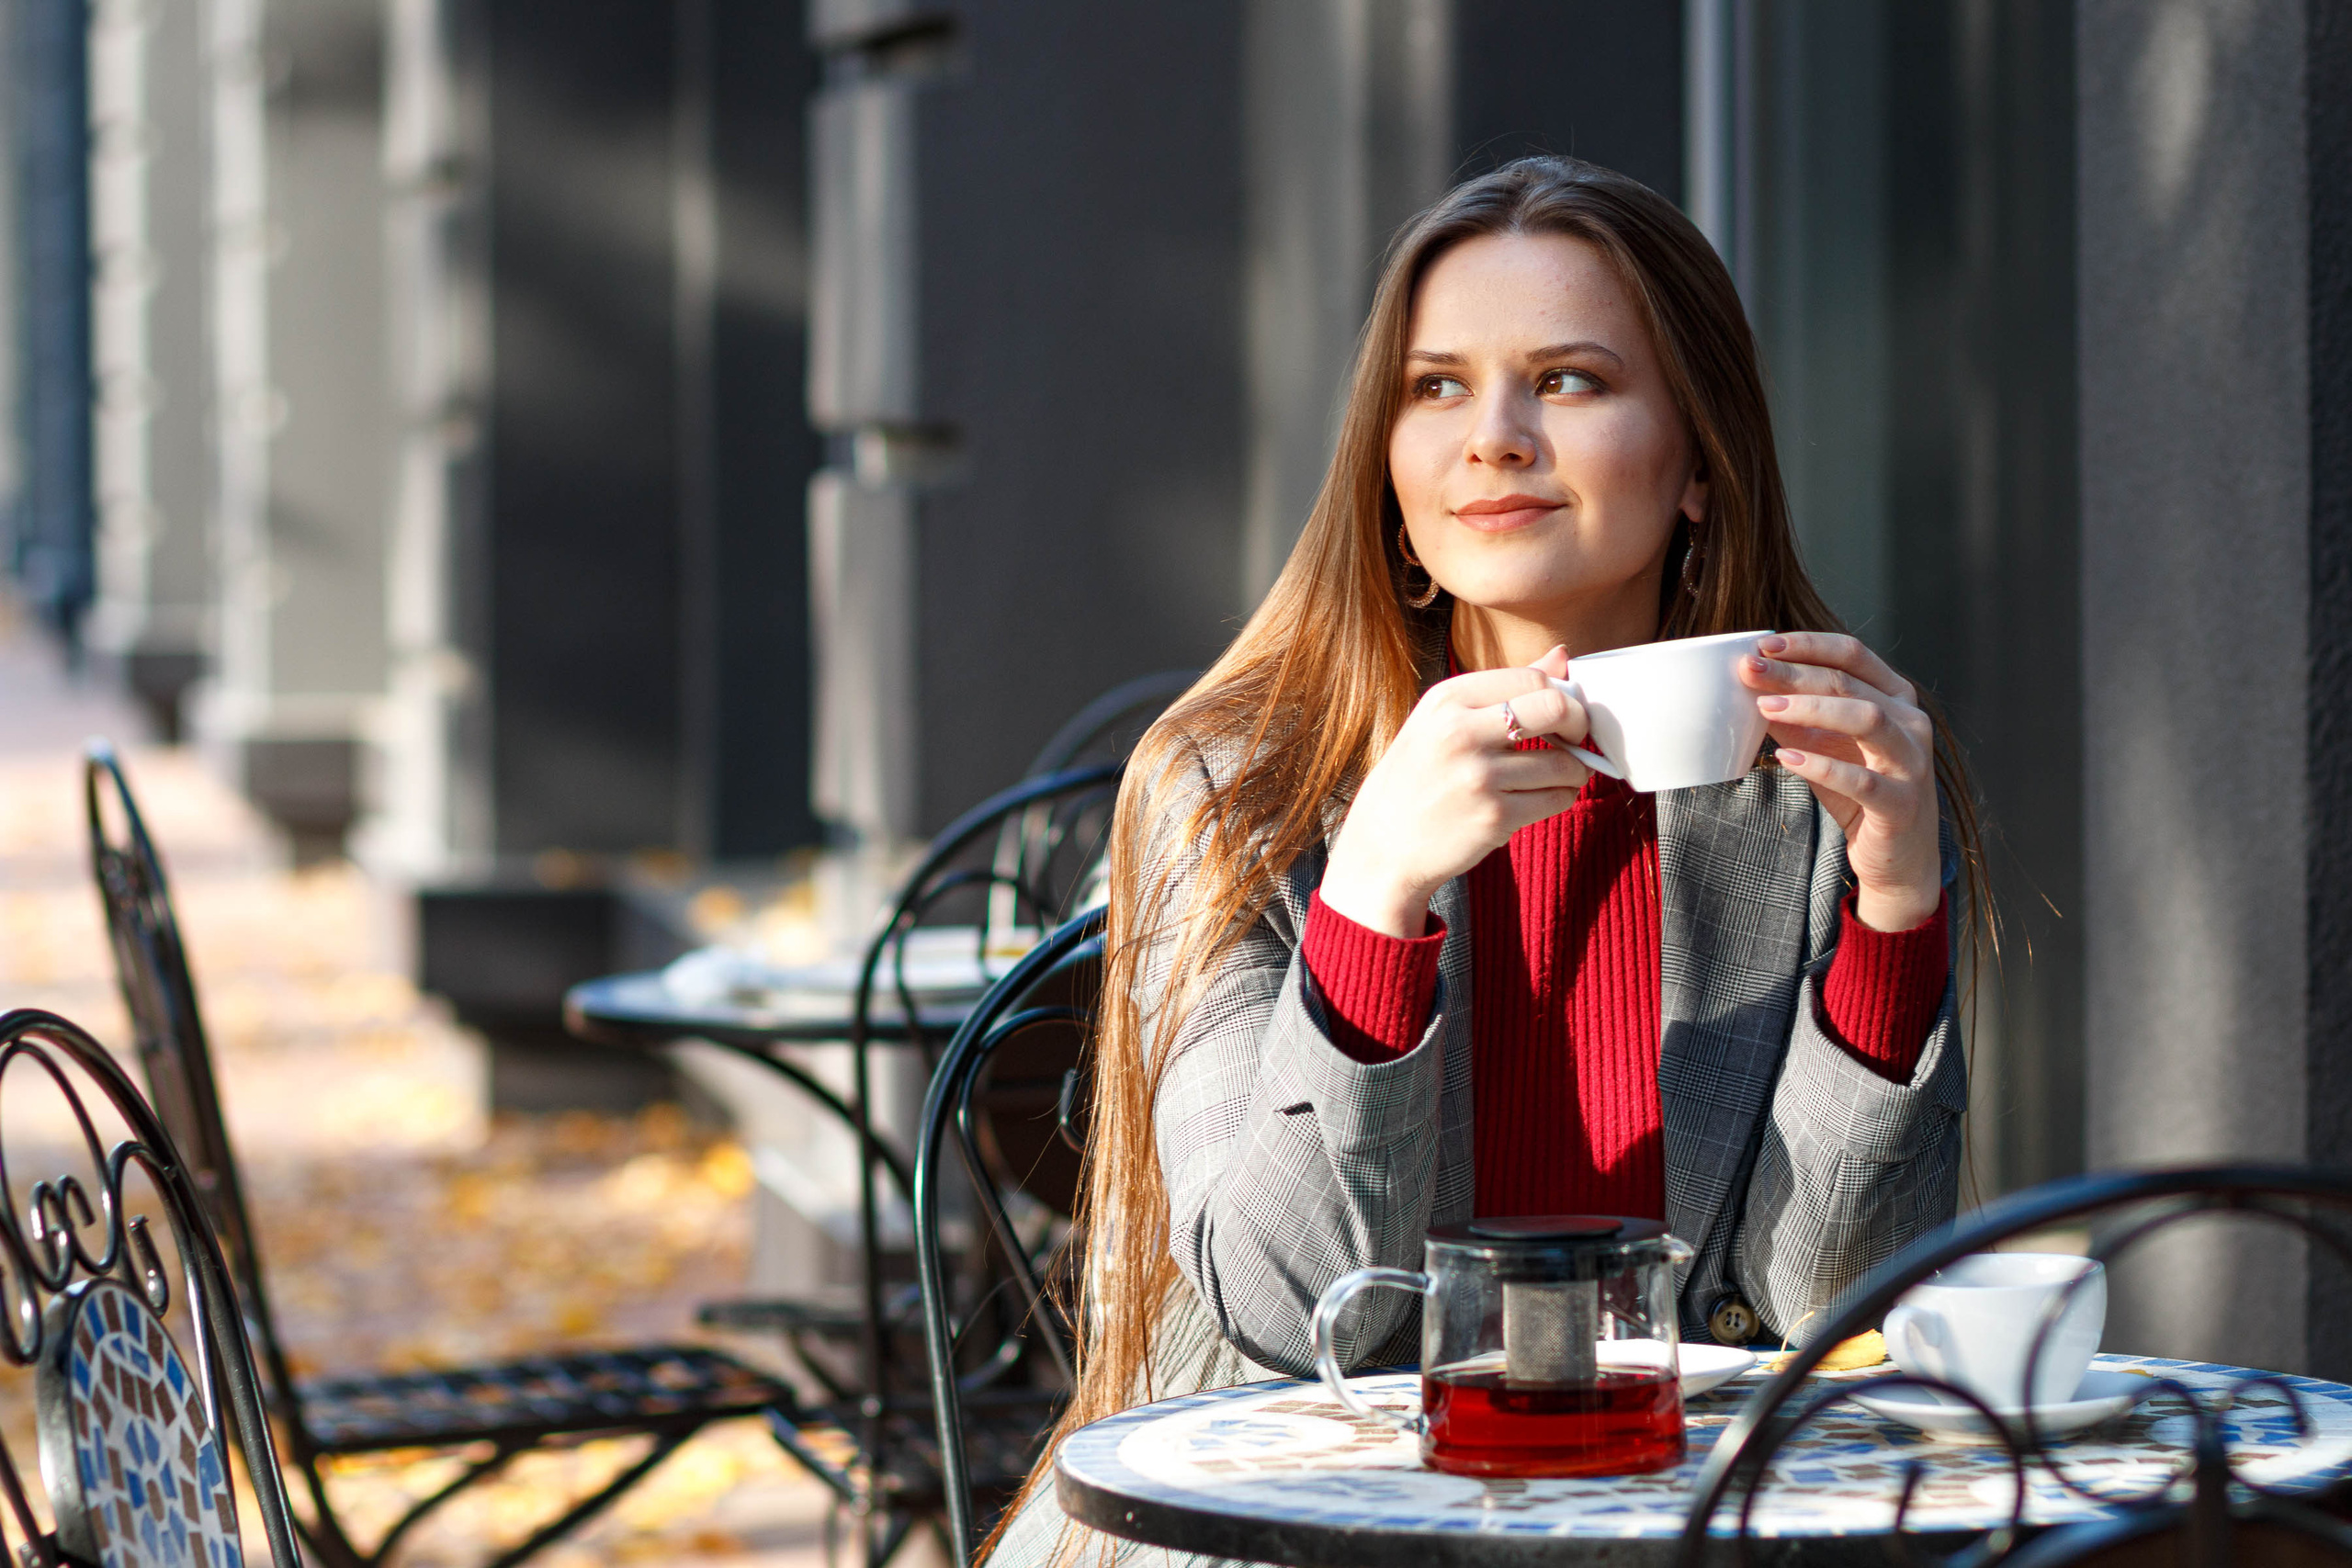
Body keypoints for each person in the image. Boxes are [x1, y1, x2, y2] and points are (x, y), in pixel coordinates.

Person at [989, 154, 1981, 1567]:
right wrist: (1374, 902)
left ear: (1699, 461)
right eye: (1436, 386)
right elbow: (1284, 1309)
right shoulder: (1229, 789)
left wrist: (1894, 907)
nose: (1494, 437)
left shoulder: (1811, 784)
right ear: (1385, 466)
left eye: (1568, 381)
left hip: (1659, 1531)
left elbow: (1829, 1299)